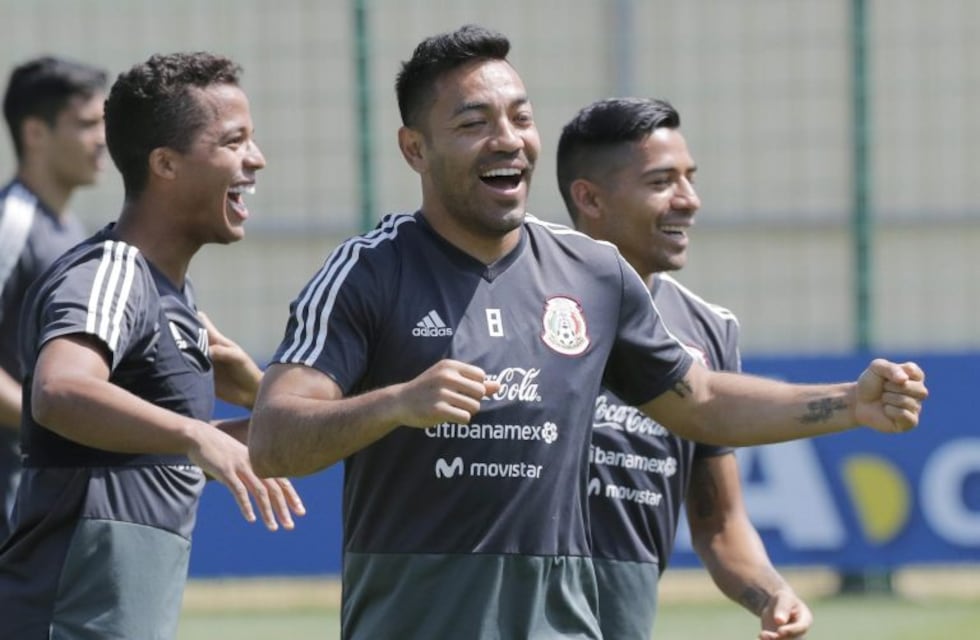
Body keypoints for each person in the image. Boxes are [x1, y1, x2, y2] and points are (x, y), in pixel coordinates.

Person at [248, 24, 927, 640]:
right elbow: (275, 440)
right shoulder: (369, 271)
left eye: (520, 117)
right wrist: (397, 404)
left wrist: (849, 404)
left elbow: (703, 403)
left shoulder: (592, 273)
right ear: (414, 149)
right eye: (474, 123)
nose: (508, 139)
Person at [0, 51, 305, 639]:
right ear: (165, 163)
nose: (256, 159)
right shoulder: (111, 272)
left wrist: (261, 392)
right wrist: (193, 433)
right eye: (234, 141)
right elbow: (60, 390)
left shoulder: (176, 299)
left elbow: (173, 450)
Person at [557, 97, 812, 639]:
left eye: (690, 179)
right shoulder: (520, 303)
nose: (689, 201)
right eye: (661, 182)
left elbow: (719, 525)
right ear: (590, 198)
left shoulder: (708, 330)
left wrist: (773, 594)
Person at [0, 55, 108, 542]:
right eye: (86, 124)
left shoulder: (70, 230)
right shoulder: (12, 224)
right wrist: (57, 419)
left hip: (39, 490)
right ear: (35, 133)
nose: (102, 139)